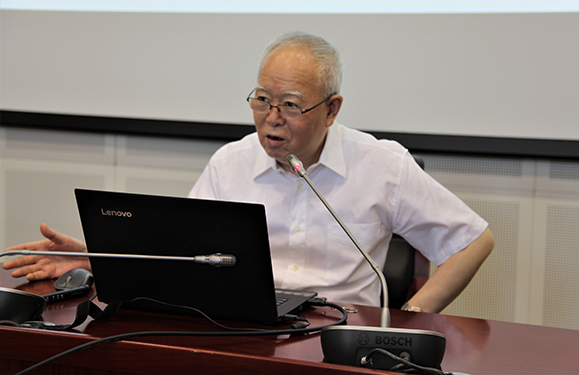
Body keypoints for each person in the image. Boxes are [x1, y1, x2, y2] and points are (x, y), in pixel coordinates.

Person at [3, 32, 494, 313]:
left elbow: (472, 241)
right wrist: (96, 257)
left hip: (339, 334)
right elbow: (182, 260)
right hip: (246, 330)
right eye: (262, 100)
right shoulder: (231, 163)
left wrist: (411, 317)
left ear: (332, 109)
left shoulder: (381, 164)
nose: (271, 118)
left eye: (291, 104)